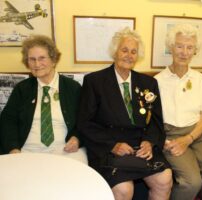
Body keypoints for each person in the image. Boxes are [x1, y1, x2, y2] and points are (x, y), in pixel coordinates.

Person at [77, 27, 172, 200]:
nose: (129, 55)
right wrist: (112, 145)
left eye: (133, 52)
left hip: (141, 146)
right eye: (124, 50)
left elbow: (156, 121)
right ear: (115, 52)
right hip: (109, 147)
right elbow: (85, 123)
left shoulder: (148, 83)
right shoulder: (95, 81)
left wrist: (149, 142)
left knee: (164, 180)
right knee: (124, 189)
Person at [155, 24, 202, 200]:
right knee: (191, 182)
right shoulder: (157, 81)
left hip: (198, 134)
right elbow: (152, 119)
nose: (184, 52)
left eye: (189, 47)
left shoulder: (200, 79)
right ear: (171, 47)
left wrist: (189, 138)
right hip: (171, 136)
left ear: (195, 51)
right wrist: (163, 139)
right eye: (179, 46)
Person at [0, 35, 87, 163]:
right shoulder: (22, 89)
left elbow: (85, 120)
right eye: (32, 59)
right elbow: (8, 121)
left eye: (42, 58)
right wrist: (13, 148)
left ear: (53, 59)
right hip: (27, 150)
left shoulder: (72, 87)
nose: (37, 64)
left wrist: (76, 138)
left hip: (65, 150)